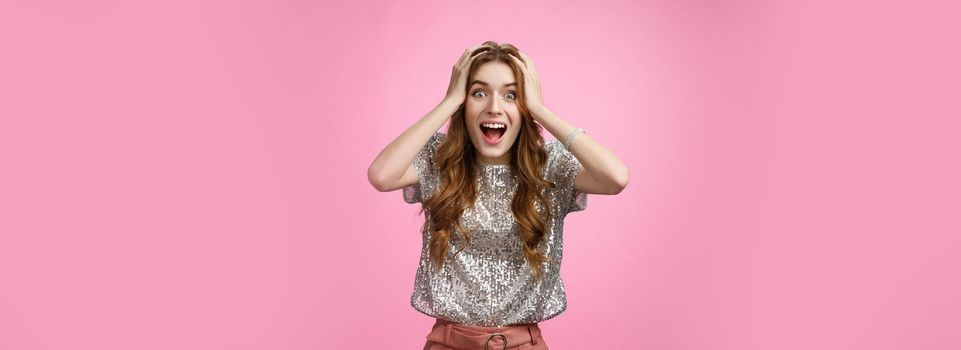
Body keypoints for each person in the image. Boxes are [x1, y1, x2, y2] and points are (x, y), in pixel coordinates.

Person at [367, 41, 630, 350]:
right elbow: (381, 176)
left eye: (511, 95)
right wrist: (448, 101)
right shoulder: (438, 160)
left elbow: (616, 177)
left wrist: (541, 110)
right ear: (464, 104)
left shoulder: (550, 166)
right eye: (479, 93)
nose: (494, 106)